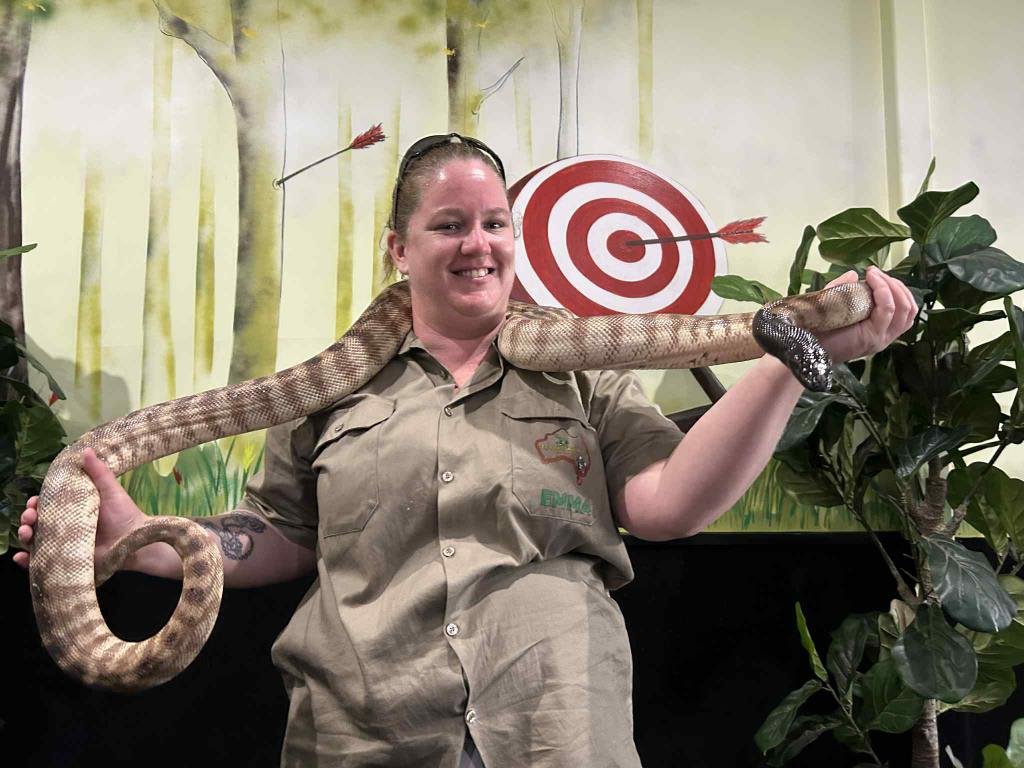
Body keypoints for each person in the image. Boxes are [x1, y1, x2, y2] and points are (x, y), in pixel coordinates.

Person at [15, 134, 917, 767]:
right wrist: (152, 541)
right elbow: (281, 533)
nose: (477, 242)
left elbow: (668, 504)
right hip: (364, 735)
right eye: (450, 224)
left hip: (557, 728)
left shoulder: (581, 370)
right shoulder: (331, 387)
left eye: (495, 223)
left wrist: (800, 358)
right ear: (399, 250)